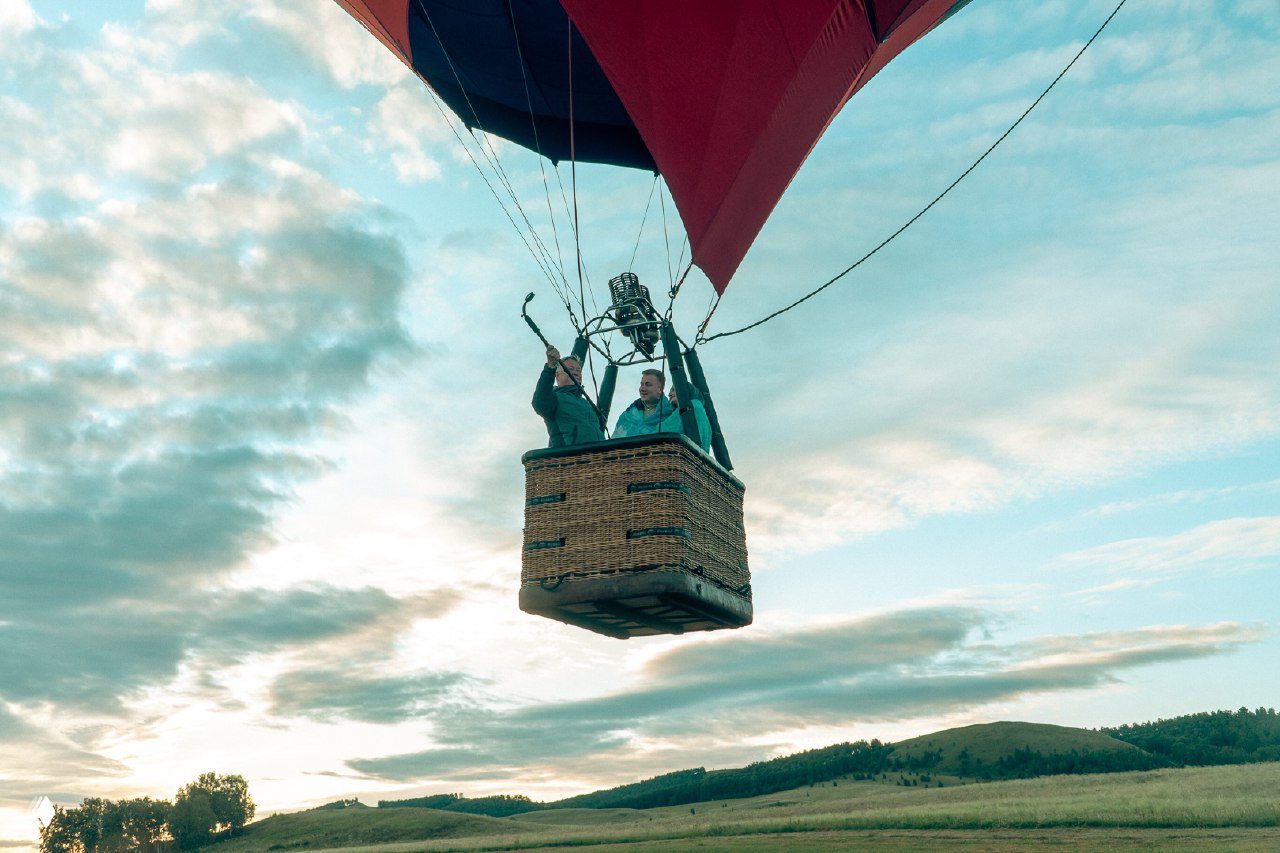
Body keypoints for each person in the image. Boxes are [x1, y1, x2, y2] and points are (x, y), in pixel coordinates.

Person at [532, 345, 604, 447]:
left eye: (578, 370)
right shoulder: (555, 398)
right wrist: (550, 367)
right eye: (570, 369)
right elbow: (540, 403)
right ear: (557, 375)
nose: (576, 373)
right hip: (571, 454)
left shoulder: (587, 404)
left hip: (599, 454)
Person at [613, 368, 675, 437]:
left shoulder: (671, 415)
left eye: (648, 385)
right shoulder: (627, 415)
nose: (642, 389)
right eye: (642, 384)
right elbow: (614, 440)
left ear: (660, 389)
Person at [662, 384, 712, 451]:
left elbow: (664, 431)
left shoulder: (688, 409)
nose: (669, 394)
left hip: (682, 454)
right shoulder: (701, 412)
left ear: (686, 391)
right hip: (697, 456)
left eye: (673, 390)